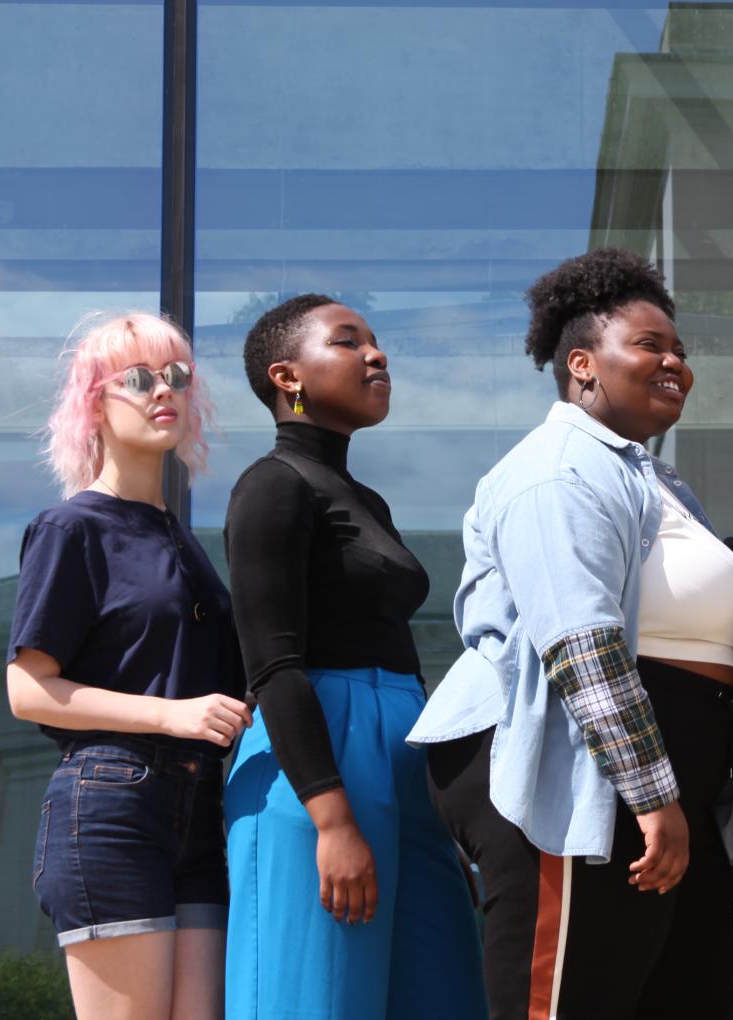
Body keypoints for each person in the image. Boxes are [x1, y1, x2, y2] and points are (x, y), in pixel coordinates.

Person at [408, 248, 733, 1020]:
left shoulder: (656, 482)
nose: (674, 361)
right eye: (649, 345)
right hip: (575, 776)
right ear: (583, 365)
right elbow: (582, 642)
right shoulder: (559, 470)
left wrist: (718, 825)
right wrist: (652, 793)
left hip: (669, 786)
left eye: (680, 350)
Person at [221, 295, 486, 1020]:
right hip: (320, 762)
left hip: (402, 754)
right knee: (316, 998)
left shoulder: (367, 499)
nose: (378, 355)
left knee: (443, 991)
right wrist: (332, 820)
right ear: (288, 376)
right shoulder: (271, 485)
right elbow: (272, 664)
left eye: (376, 341)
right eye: (348, 342)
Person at [5, 312, 249, 1020]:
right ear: (94, 403)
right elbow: (28, 689)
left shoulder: (180, 538)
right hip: (112, 801)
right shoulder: (74, 527)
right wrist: (173, 713)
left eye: (176, 376)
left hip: (200, 808)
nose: (161, 391)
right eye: (137, 379)